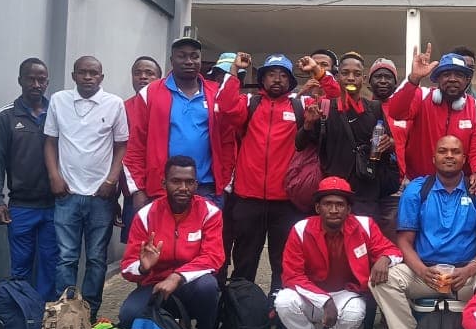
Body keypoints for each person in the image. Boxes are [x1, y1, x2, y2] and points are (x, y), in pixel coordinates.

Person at [296, 50, 400, 329]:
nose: (351, 79)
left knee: (363, 265)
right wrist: (309, 124)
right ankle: (326, 327)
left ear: (364, 77)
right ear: (338, 76)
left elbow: (389, 143)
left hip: (366, 195)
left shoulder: (375, 108)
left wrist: (390, 143)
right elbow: (301, 144)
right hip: (333, 193)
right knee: (328, 262)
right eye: (346, 73)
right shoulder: (327, 105)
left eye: (357, 74)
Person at [215, 53, 340, 296]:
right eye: (271, 74)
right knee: (244, 262)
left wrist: (317, 70)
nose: (277, 80)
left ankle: (281, 314)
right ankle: (240, 315)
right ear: (262, 79)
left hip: (286, 202)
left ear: (291, 82)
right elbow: (225, 107)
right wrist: (234, 72)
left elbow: (336, 99)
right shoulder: (250, 103)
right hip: (248, 199)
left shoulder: (300, 105)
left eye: (283, 75)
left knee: (285, 265)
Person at [370, 135, 476, 329]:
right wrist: (421, 271)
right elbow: (404, 241)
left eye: (455, 151)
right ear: (433, 158)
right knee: (383, 281)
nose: (449, 156)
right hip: (426, 274)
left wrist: (469, 271)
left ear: (464, 158)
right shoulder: (417, 190)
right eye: (443, 151)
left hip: (466, 274)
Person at [274, 177, 401, 329]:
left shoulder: (364, 225)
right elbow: (292, 276)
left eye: (340, 205)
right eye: (328, 204)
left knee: (356, 311)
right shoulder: (300, 229)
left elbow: (393, 251)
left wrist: (385, 259)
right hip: (311, 294)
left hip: (345, 294)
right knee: (283, 300)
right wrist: (325, 301)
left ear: (349, 209)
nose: (334, 210)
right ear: (318, 208)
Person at [118, 156, 224, 329]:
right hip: (155, 287)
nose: (183, 187)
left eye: (189, 182)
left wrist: (177, 276)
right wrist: (144, 267)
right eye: (176, 181)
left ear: (196, 184)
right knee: (128, 314)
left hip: (191, 286)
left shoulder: (210, 212)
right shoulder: (146, 216)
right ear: (164, 183)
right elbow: (127, 267)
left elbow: (213, 257)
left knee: (208, 286)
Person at [43, 56, 128, 319]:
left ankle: (89, 315)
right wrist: (54, 176)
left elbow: (121, 145)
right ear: (73, 75)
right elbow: (50, 142)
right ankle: (66, 313)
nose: (88, 77)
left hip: (100, 197)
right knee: (66, 258)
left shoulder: (114, 104)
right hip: (66, 194)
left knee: (96, 259)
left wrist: (111, 181)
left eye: (93, 73)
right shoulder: (59, 100)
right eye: (83, 73)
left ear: (102, 77)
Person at [125, 37, 234, 209]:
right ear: (171, 60)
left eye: (194, 56)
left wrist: (225, 187)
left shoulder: (216, 94)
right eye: (182, 56)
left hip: (207, 188)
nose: (189, 61)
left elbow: (228, 143)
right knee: (162, 237)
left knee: (206, 236)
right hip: (162, 188)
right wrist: (137, 190)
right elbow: (136, 145)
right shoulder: (150, 93)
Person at [0, 57, 57, 300]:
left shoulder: (57, 113)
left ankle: (45, 317)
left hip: (55, 206)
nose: (36, 84)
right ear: (20, 81)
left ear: (47, 82)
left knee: (51, 266)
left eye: (41, 80)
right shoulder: (5, 116)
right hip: (21, 206)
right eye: (31, 79)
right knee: (21, 267)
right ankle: (23, 315)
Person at [385, 44, 476, 189]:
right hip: (418, 185)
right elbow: (396, 112)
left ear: (467, 80)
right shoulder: (421, 96)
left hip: (457, 189)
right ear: (438, 79)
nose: (452, 79)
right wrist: (413, 79)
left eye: (459, 75)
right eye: (446, 74)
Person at [120, 56, 163, 244]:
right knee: (136, 246)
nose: (143, 77)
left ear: (159, 79)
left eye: (149, 73)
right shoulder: (122, 108)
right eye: (138, 73)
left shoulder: (166, 107)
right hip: (133, 191)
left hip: (162, 189)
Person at [369, 57, 408, 238]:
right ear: (369, 82)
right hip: (367, 183)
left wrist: (393, 145)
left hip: (397, 186)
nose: (383, 80)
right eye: (378, 76)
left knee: (391, 236)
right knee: (367, 235)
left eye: (388, 77)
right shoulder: (362, 107)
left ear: (395, 82)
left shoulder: (406, 111)